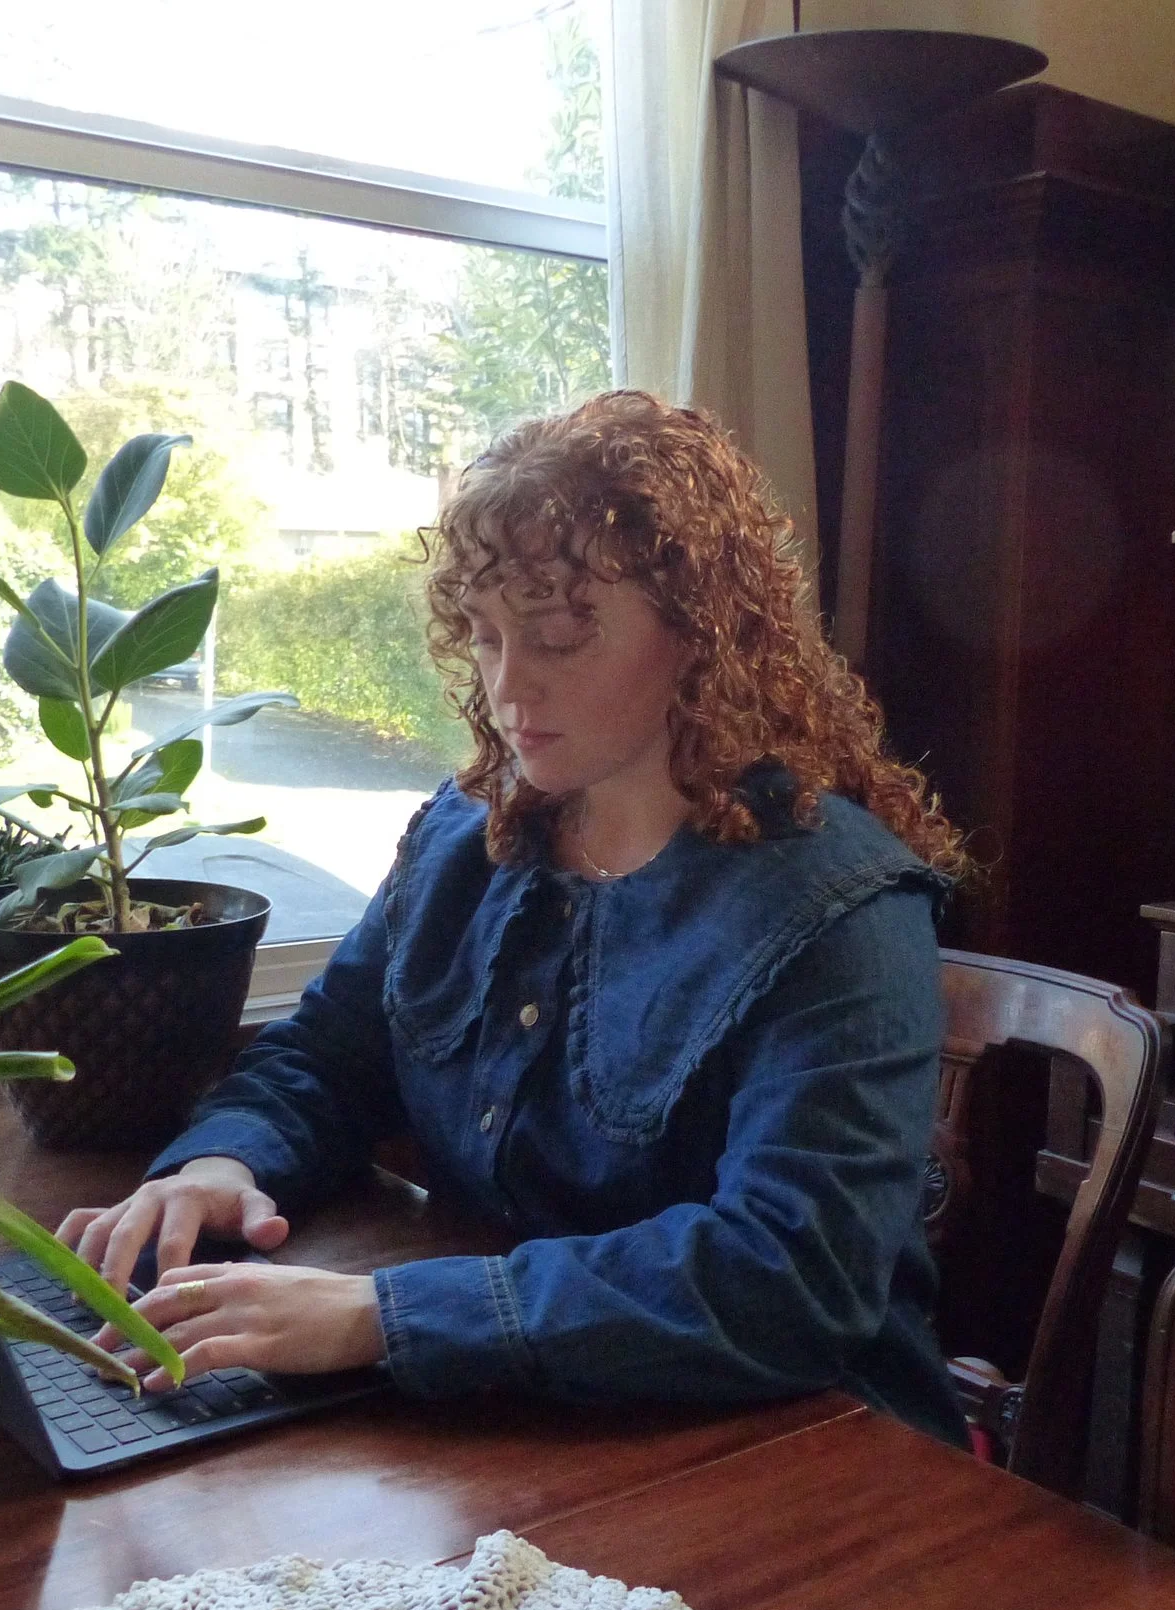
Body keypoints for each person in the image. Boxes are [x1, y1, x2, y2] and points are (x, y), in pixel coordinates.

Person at [59, 389, 970, 1444]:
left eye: (556, 638)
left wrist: (382, 1316)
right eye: (487, 638)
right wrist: (225, 1163)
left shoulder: (838, 913)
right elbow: (328, 1055)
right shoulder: (467, 833)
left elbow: (787, 1279)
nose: (506, 689)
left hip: (807, 1456)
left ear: (699, 635)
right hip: (536, 1425)